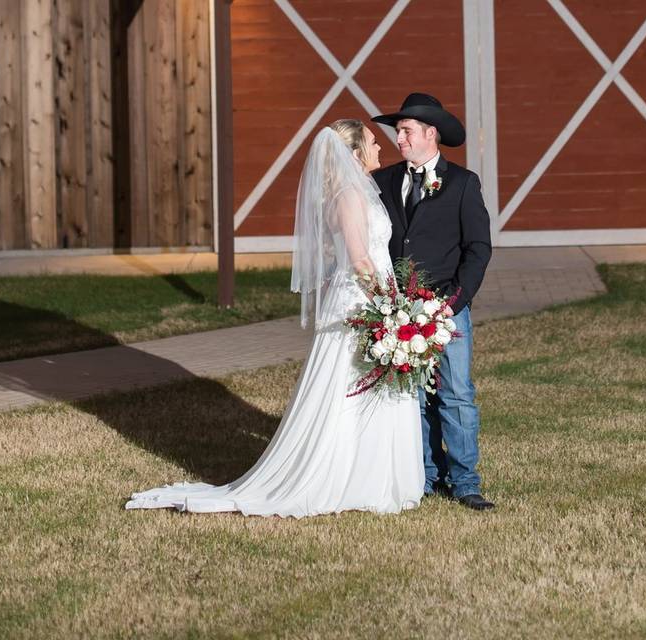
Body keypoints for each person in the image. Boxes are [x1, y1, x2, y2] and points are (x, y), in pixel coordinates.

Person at [126, 120, 424, 517]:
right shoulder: (350, 195)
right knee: (350, 391)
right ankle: (351, 479)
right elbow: (359, 258)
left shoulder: (353, 193)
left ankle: (370, 476)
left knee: (366, 390)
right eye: (372, 142)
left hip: (365, 299)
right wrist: (391, 308)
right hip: (363, 304)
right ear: (354, 155)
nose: (380, 147)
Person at [371, 93, 494, 511]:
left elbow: (478, 248)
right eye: (398, 131)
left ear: (431, 134)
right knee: (413, 398)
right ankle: (423, 475)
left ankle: (464, 481)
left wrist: (454, 302)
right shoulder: (384, 181)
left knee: (456, 394)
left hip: (447, 310)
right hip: (399, 312)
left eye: (406, 131)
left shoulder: (462, 183)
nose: (399, 139)